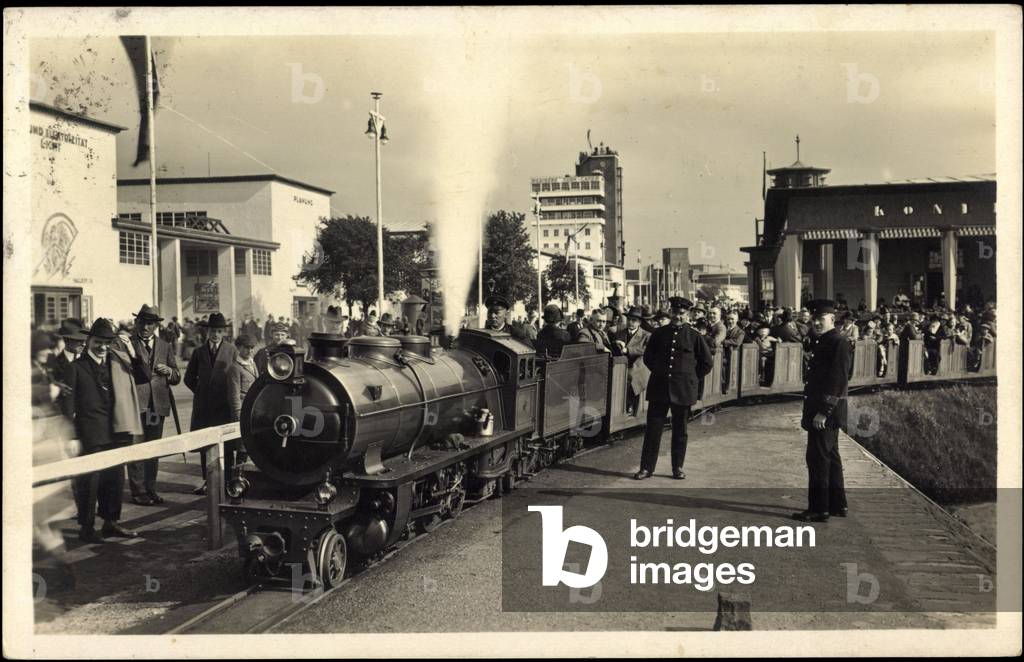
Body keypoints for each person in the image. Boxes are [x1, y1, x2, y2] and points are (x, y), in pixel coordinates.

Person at [61, 318, 143, 542]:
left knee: (115, 480)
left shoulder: (116, 364)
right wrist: (72, 437)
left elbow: (143, 376)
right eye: (98, 342)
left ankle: (111, 522)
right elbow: (67, 406)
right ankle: (86, 528)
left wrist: (132, 352)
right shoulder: (75, 368)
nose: (103, 347)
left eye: (107, 343)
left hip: (116, 432)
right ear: (89, 341)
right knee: (89, 482)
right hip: (89, 435)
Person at [635, 297, 712, 480]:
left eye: (682, 313)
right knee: (653, 430)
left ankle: (677, 467)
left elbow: (706, 363)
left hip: (682, 391)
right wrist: (660, 372)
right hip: (659, 389)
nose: (678, 316)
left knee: (680, 431)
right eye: (675, 313)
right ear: (670, 313)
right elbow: (648, 357)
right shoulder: (659, 333)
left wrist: (690, 378)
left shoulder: (694, 336)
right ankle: (646, 468)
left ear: (688, 314)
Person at [793, 299, 850, 523]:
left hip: (825, 411)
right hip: (827, 410)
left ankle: (819, 509)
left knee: (817, 458)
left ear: (832, 319)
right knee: (831, 456)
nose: (816, 323)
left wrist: (824, 411)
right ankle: (837, 504)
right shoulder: (827, 340)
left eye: (821, 319)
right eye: (814, 319)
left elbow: (837, 380)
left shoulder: (837, 341)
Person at [119, 304, 181, 506]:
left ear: (156, 326)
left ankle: (151, 488)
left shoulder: (165, 346)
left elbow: (177, 376)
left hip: (157, 406)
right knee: (136, 448)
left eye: (150, 324)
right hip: (136, 404)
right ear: (137, 323)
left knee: (153, 449)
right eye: (142, 323)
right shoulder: (128, 343)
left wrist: (169, 371)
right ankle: (138, 492)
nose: (146, 327)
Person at [184, 312, 238, 495]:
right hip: (204, 408)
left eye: (219, 331)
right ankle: (208, 481)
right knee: (205, 445)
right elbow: (189, 378)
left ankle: (227, 482)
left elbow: (237, 376)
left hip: (224, 407)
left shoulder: (232, 351)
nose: (215, 334)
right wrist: (201, 392)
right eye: (213, 331)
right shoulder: (199, 352)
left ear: (224, 332)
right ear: (208, 332)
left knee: (227, 445)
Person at [615, 307, 652, 415]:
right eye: (629, 319)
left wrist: (628, 350)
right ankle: (619, 407)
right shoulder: (620, 333)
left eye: (634, 320)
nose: (630, 322)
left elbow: (646, 350)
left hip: (640, 365)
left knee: (631, 376)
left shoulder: (646, 335)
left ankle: (630, 404)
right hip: (622, 364)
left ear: (639, 322)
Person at [227, 334, 259, 425]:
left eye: (252, 348)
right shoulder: (235, 367)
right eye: (246, 347)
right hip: (243, 410)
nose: (250, 351)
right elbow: (234, 395)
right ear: (238, 347)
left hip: (254, 407)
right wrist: (238, 415)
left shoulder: (252, 363)